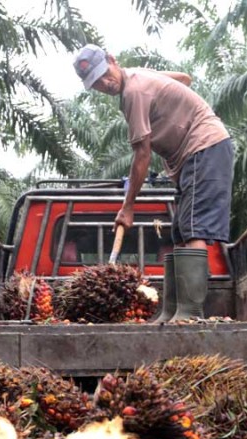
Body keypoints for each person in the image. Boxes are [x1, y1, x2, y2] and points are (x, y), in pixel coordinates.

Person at [73, 43, 234, 323]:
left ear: (113, 59)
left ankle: (189, 313)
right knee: (181, 230)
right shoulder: (139, 77)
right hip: (191, 157)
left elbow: (142, 154)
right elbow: (184, 79)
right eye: (95, 83)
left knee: (194, 226)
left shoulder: (134, 92)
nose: (103, 83)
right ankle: (172, 310)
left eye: (104, 74)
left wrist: (128, 207)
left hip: (205, 146)